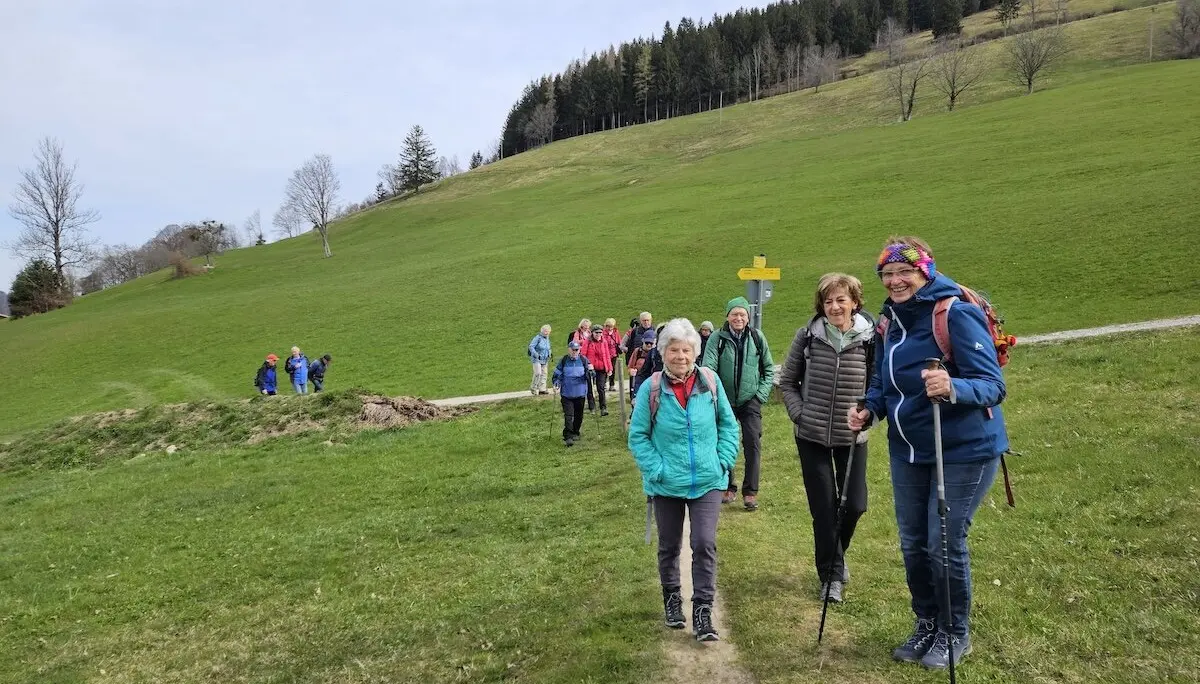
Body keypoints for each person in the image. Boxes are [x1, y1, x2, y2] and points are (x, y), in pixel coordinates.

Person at [847, 236, 1008, 670]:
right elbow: (884, 381)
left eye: (905, 272)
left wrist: (953, 386)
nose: (896, 281)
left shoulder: (954, 313)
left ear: (925, 272)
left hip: (963, 450)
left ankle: (956, 633)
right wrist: (869, 408)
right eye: (888, 274)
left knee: (943, 544)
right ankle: (927, 623)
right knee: (915, 544)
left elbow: (993, 385)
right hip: (909, 451)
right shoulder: (888, 322)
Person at [629, 318, 739, 642]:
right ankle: (672, 599)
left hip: (707, 480)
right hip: (666, 484)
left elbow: (729, 426)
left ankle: (703, 611)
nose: (681, 356)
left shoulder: (710, 382)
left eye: (686, 349)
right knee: (669, 546)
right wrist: (657, 470)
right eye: (674, 349)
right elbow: (638, 437)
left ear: (695, 352)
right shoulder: (652, 388)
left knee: (704, 543)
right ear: (664, 353)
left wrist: (723, 459)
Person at [779, 274, 877, 604]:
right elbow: (787, 382)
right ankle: (831, 576)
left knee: (854, 504)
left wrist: (870, 414)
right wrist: (800, 414)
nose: (834, 306)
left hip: (852, 436)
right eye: (828, 301)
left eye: (841, 300)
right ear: (821, 305)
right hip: (812, 435)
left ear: (855, 302)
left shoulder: (870, 340)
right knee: (824, 508)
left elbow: (879, 389)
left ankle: (836, 554)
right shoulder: (807, 336)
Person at [702, 297, 775, 511]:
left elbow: (768, 369)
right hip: (724, 401)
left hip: (750, 400)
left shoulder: (756, 337)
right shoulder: (717, 338)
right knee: (724, 442)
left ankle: (750, 492)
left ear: (748, 317)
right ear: (727, 316)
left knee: (752, 442)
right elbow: (708, 369)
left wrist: (760, 395)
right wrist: (716, 396)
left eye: (742, 314)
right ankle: (728, 486)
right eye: (734, 314)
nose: (739, 318)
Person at [552, 340, 593, 446]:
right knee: (568, 415)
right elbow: (557, 374)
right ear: (569, 350)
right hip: (566, 393)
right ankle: (568, 436)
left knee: (579, 415)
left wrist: (591, 373)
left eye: (576, 350)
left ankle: (576, 432)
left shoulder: (584, 360)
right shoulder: (564, 360)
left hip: (580, 393)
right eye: (573, 350)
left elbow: (591, 374)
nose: (575, 352)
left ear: (579, 350)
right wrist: (556, 382)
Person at [580, 324, 617, 415]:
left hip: (601, 368)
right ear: (592, 333)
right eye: (596, 332)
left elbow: (607, 356)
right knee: (590, 388)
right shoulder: (587, 342)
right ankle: (592, 407)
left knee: (601, 388)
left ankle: (603, 408)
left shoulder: (604, 342)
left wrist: (609, 368)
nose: (598, 334)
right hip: (590, 368)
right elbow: (583, 355)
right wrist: (587, 365)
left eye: (600, 332)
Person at [627, 330, 656, 402]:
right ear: (643, 341)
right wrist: (631, 371)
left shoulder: (656, 353)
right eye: (647, 343)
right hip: (639, 380)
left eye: (651, 343)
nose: (649, 345)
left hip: (652, 380)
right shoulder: (637, 351)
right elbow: (630, 366)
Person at [528, 324, 553, 395]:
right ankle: (533, 388)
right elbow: (531, 346)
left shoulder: (547, 339)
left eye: (548, 331)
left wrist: (550, 354)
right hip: (537, 359)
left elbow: (548, 348)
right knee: (538, 373)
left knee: (544, 374)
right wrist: (536, 354)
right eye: (545, 331)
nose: (547, 332)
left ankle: (542, 389)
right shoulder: (537, 338)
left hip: (545, 359)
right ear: (542, 331)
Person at [602, 318, 622, 391]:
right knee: (604, 369)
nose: (610, 328)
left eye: (611, 326)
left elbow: (619, 342)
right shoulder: (602, 333)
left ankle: (611, 384)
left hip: (613, 354)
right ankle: (603, 384)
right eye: (608, 326)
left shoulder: (615, 332)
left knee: (612, 369)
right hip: (604, 354)